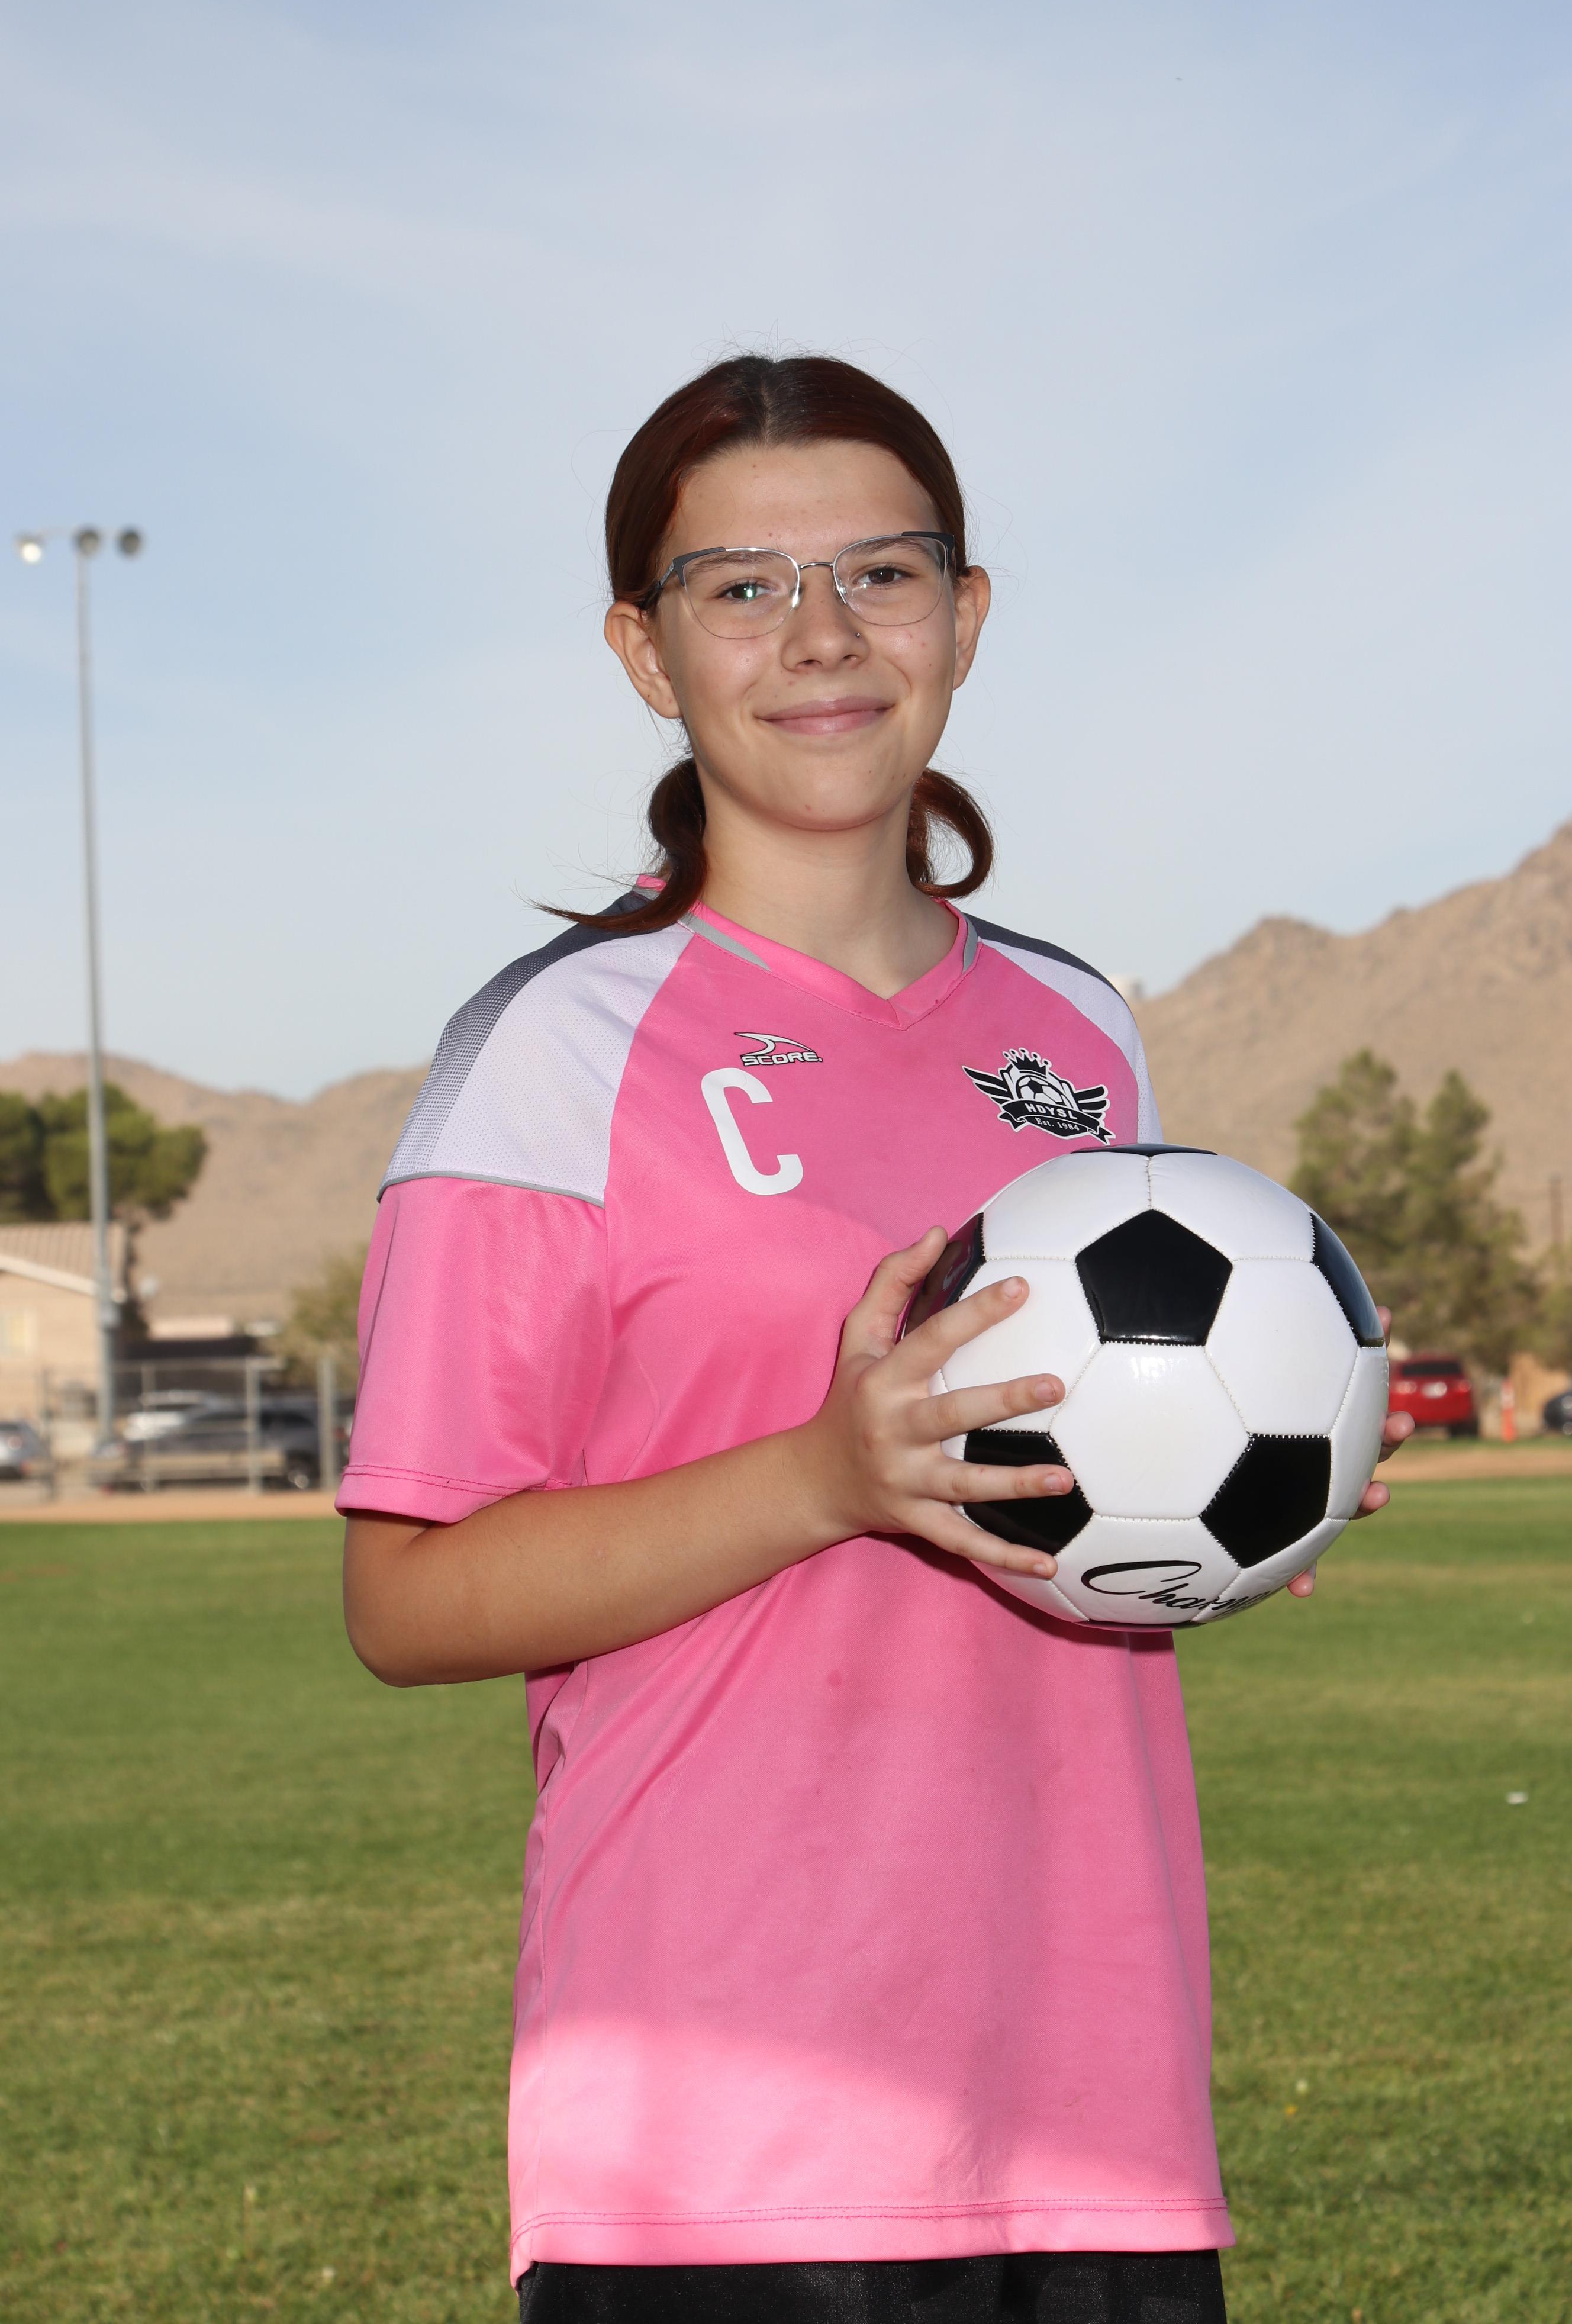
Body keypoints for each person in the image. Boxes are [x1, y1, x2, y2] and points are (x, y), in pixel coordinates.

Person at [339, 355, 1412, 2324]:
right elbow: (405, 1599)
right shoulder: (553, 1055)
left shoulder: (1081, 1037)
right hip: (718, 2133)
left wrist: (1230, 1484)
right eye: (742, 587)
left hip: (1093, 2117)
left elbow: (1066, 1497)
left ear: (965, 615)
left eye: (881, 575)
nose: (822, 636)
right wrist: (826, 1478)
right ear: (644, 650)